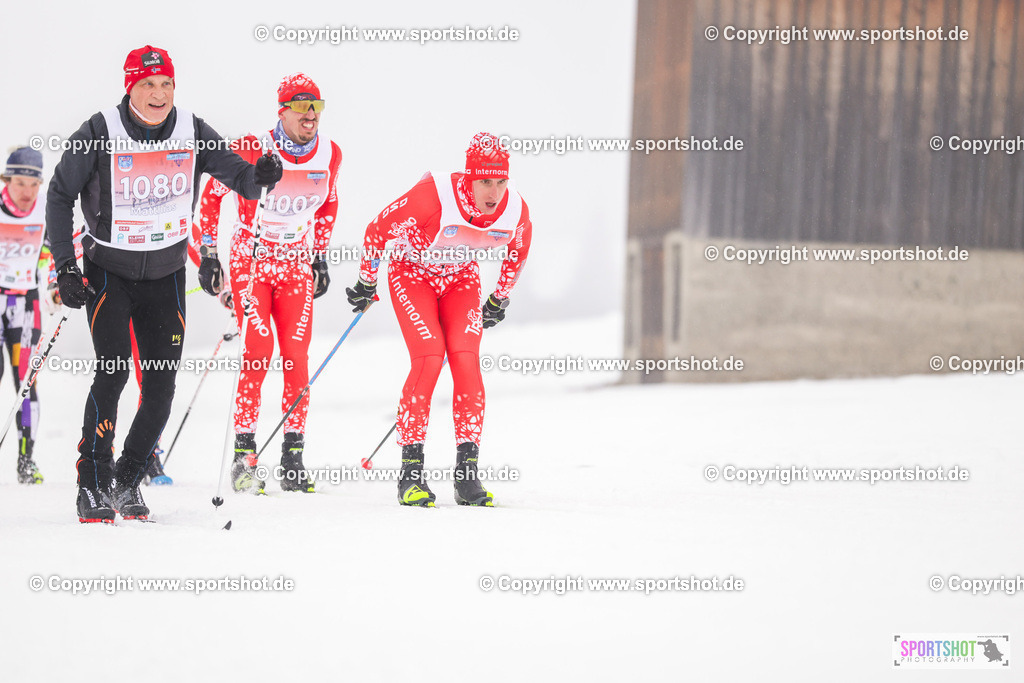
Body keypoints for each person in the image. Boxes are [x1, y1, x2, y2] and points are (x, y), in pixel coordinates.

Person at [46, 45, 282, 523]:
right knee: (112, 372)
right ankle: (91, 480)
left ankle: (127, 479)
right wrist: (66, 268)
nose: (158, 94)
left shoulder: (191, 129)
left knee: (160, 391)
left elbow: (238, 174)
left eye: (166, 84)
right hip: (108, 273)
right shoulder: (98, 132)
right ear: (129, 87)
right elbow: (59, 193)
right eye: (148, 84)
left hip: (166, 277)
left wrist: (261, 178)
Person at [346, 132, 532, 507]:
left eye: (500, 181)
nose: (493, 192)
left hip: (460, 278)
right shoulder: (433, 197)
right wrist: (367, 281)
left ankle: (467, 476)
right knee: (430, 357)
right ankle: (411, 474)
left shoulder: (515, 210)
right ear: (468, 178)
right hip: (411, 274)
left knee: (465, 361)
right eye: (484, 181)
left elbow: (519, 250)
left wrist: (500, 297)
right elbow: (376, 231)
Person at [197, 73, 341, 495]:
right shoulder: (252, 147)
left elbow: (330, 201)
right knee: (259, 349)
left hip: (296, 258)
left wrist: (320, 255)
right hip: (252, 257)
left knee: (296, 355)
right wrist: (209, 255)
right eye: (301, 106)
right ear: (282, 110)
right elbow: (210, 198)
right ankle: (244, 458)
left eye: (316, 106)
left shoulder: (330, 153)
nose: (310, 114)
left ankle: (293, 458)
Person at [0, 147, 58, 484]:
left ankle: (26, 460)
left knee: (26, 383)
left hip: (25, 305)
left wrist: (54, 286)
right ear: (8, 181)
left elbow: (52, 256)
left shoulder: (46, 212)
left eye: (34, 184)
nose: (27, 192)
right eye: (20, 183)